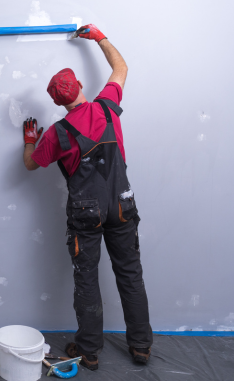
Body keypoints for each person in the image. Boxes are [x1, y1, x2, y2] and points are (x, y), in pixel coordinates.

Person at [22, 24, 152, 370]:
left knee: (87, 280)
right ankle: (141, 346)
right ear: (79, 86)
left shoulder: (57, 134)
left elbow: (31, 165)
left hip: (86, 214)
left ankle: (89, 350)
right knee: (130, 275)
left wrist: (30, 139)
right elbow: (121, 68)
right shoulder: (107, 106)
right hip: (122, 204)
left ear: (55, 101)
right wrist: (98, 37)